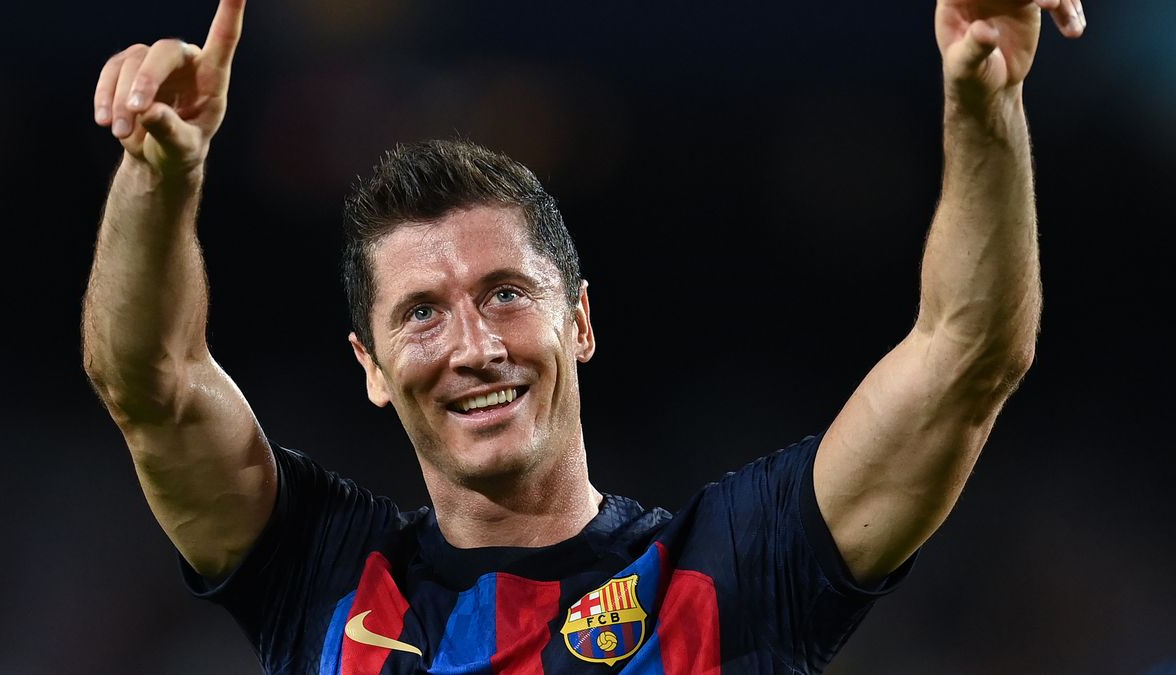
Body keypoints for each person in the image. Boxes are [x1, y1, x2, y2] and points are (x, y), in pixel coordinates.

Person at [80, 0, 1086, 672]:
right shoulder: (324, 578)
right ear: (373, 369)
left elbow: (967, 356)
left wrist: (985, 98)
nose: (473, 345)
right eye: (420, 313)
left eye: (506, 293)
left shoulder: (730, 573)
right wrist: (158, 177)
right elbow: (149, 384)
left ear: (583, 321)